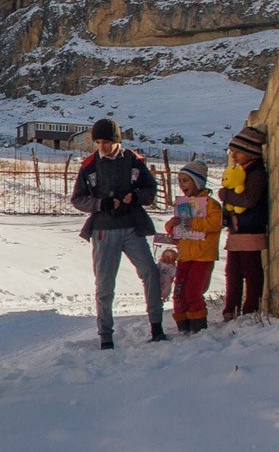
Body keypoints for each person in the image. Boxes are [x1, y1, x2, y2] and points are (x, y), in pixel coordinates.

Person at [71, 118, 165, 349]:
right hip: (104, 230)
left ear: (117, 141)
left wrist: (136, 197)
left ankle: (157, 326)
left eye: (107, 142)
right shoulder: (89, 166)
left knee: (150, 273)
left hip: (132, 225)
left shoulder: (133, 161)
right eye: (98, 142)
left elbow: (150, 190)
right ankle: (105, 336)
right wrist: (100, 204)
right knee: (104, 284)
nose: (102, 146)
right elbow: (78, 199)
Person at [164, 161, 223, 334]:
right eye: (180, 181)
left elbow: (216, 223)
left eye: (186, 180)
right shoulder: (183, 205)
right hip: (184, 256)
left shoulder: (211, 204)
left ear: (197, 182)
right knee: (179, 292)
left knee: (193, 291)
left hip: (203, 256)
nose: (182, 185)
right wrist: (171, 225)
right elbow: (176, 232)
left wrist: (194, 222)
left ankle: (198, 326)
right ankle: (183, 326)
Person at [218, 126, 268, 319]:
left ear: (251, 152)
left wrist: (226, 195)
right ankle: (231, 307)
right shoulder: (241, 172)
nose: (235, 156)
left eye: (238, 152)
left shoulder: (256, 174)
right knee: (233, 271)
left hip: (250, 227)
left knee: (250, 270)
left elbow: (248, 199)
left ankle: (250, 308)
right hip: (238, 229)